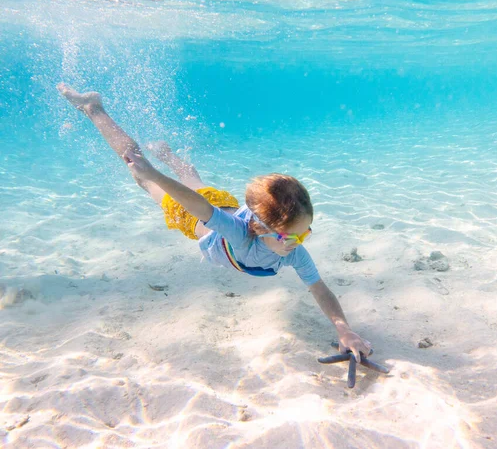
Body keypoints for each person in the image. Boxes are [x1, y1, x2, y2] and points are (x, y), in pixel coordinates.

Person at [57, 83, 372, 362]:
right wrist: (153, 175)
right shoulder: (239, 234)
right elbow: (198, 207)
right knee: (141, 173)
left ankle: (170, 156)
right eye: (295, 237)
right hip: (191, 212)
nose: (300, 243)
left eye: (305, 234)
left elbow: (320, 289)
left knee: (195, 181)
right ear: (261, 230)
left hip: (224, 203)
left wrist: (344, 330)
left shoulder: (290, 250)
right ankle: (94, 108)